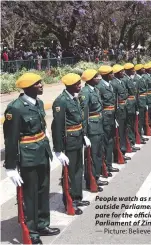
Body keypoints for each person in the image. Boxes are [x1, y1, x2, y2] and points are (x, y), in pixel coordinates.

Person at [3, 73, 60, 244]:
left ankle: (43, 224)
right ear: (28, 87)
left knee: (43, 191)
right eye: (38, 84)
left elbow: (42, 127)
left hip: (42, 152)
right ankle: (32, 231)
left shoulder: (39, 103)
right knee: (30, 195)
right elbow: (11, 139)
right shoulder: (15, 108)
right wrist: (11, 167)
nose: (41, 85)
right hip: (27, 156)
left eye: (41, 82)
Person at [52, 73, 91, 215]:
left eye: (79, 83)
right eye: (77, 84)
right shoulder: (61, 101)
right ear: (69, 86)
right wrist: (58, 149)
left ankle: (77, 197)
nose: (80, 85)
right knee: (69, 173)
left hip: (77, 139)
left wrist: (84, 136)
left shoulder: (74, 98)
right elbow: (57, 127)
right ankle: (69, 201)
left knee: (77, 170)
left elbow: (79, 119)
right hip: (68, 142)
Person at [79, 70, 109, 189]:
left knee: (98, 153)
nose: (99, 78)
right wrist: (85, 133)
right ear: (91, 79)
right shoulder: (85, 92)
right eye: (96, 77)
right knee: (92, 155)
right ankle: (90, 180)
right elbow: (84, 114)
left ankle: (96, 176)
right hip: (92, 127)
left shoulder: (95, 90)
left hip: (99, 125)